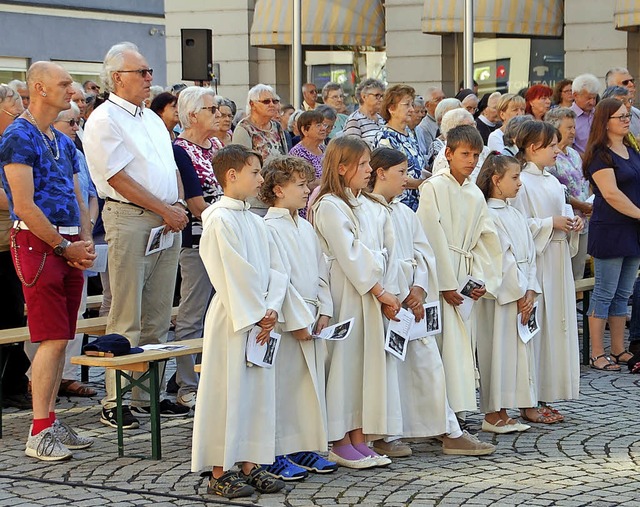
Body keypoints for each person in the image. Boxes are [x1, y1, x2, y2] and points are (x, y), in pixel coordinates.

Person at [83, 42, 190, 429]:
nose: (149, 79)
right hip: (130, 217)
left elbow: (167, 167)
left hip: (165, 218)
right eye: (141, 73)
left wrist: (175, 204)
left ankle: (148, 395)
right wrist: (166, 209)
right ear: (117, 78)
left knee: (159, 313)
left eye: (149, 72)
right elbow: (117, 178)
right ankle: (117, 399)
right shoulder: (104, 119)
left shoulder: (148, 118)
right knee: (126, 311)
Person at [369, 147, 496, 456]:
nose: (407, 179)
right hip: (385, 301)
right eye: (401, 172)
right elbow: (371, 259)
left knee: (428, 365)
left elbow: (423, 252)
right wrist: (395, 292)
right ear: (381, 173)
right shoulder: (366, 211)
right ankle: (385, 434)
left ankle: (448, 430)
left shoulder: (403, 211)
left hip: (411, 303)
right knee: (387, 372)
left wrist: (419, 289)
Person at [0, 61, 96, 460]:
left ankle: (50, 418)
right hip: (41, 245)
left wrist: (86, 238)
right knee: (50, 337)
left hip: (68, 243)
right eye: (63, 84)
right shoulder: (18, 135)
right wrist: (63, 246)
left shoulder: (60, 138)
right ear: (38, 88)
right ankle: (39, 430)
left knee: (62, 336)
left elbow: (77, 194)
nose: (71, 90)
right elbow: (23, 204)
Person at [191, 144, 287, 499]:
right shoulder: (218, 218)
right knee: (227, 392)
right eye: (256, 172)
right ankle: (219, 470)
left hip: (259, 316)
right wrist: (258, 310)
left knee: (256, 395)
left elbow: (277, 267)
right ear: (232, 176)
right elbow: (230, 271)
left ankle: (251, 462)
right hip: (234, 316)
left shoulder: (253, 219)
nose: (261, 179)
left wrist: (272, 306)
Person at [312, 136, 401, 469]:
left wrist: (385, 286)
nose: (369, 170)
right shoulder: (329, 205)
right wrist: (380, 290)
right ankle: (339, 439)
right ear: (341, 167)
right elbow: (350, 254)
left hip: (371, 290)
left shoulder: (366, 204)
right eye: (363, 165)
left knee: (365, 365)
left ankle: (360, 435)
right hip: (346, 293)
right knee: (345, 365)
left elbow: (385, 247)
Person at [416, 125, 502, 421]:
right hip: (442, 276)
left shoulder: (475, 193)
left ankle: (460, 411)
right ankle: (439, 414)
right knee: (444, 346)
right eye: (465, 154)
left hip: (464, 273)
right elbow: (429, 235)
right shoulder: (434, 187)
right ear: (448, 153)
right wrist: (445, 283)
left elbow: (485, 238)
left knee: (464, 345)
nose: (471, 160)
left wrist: (479, 279)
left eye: (476, 155)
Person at [260, 156, 338, 479]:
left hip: (310, 317)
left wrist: (325, 308)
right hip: (288, 321)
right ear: (278, 189)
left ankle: (301, 444)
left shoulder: (305, 227)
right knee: (282, 387)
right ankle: (275, 450)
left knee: (307, 387)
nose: (308, 190)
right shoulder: (268, 228)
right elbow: (279, 278)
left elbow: (322, 270)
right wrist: (298, 320)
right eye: (301, 185)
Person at [511, 120, 582, 422]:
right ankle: (528, 400)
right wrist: (548, 224)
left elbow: (563, 212)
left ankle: (544, 394)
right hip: (537, 262)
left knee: (556, 324)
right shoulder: (520, 182)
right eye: (551, 145)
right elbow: (514, 225)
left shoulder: (552, 180)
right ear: (532, 148)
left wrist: (573, 223)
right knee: (538, 328)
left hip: (557, 256)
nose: (557, 150)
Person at [475, 153, 539, 432]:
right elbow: (500, 256)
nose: (520, 183)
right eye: (514, 178)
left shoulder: (514, 213)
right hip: (503, 295)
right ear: (496, 181)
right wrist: (519, 291)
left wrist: (531, 290)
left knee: (514, 354)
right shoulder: (487, 214)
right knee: (496, 352)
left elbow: (530, 253)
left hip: (520, 290)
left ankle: (504, 410)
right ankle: (492, 413)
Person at [171, 86, 224, 409]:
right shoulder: (180, 150)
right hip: (198, 238)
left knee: (220, 310)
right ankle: (187, 384)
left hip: (223, 235)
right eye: (211, 109)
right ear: (192, 115)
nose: (217, 114)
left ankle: (216, 375)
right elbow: (194, 201)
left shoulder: (216, 145)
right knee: (193, 312)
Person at [583, 98, 640, 371]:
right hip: (611, 229)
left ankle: (618, 349)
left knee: (623, 293)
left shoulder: (631, 148)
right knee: (604, 293)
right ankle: (597, 352)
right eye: (620, 117)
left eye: (627, 115)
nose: (626, 119)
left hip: (633, 229)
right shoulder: (600, 154)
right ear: (605, 122)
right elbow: (611, 194)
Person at [0, 84, 31, 411]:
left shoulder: (12, 142)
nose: (20, 115)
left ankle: (12, 385)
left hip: (12, 246)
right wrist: (26, 195)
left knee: (13, 320)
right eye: (14, 110)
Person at [544, 107, 592, 282]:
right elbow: (555, 191)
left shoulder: (573, 153)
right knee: (561, 277)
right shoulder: (550, 157)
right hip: (563, 223)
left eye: (574, 127)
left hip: (582, 221)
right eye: (569, 128)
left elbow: (583, 182)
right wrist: (582, 206)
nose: (573, 131)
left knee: (577, 275)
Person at [232, 84, 288, 215]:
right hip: (255, 200)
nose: (272, 105)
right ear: (252, 104)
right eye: (266, 101)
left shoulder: (277, 127)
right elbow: (243, 167)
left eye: (275, 101)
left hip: (278, 195)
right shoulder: (244, 129)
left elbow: (285, 158)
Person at [374, 84, 427, 211]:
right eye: (407, 105)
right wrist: (425, 184)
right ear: (391, 109)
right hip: (398, 205)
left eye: (412, 105)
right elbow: (391, 175)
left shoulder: (409, 134)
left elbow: (418, 168)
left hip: (418, 204)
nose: (412, 110)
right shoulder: (385, 137)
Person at [342, 78, 385, 147]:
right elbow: (353, 150)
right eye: (377, 95)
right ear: (364, 97)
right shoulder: (355, 120)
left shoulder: (381, 119)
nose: (381, 99)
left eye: (382, 96)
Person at [605, 67, 640, 139]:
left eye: (632, 81)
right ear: (612, 88)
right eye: (625, 82)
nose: (631, 85)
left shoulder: (637, 113)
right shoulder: (602, 114)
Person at [570, 73, 600, 154]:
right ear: (575, 95)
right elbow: (568, 149)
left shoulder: (599, 114)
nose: (592, 102)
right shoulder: (569, 118)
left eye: (594, 98)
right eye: (588, 98)